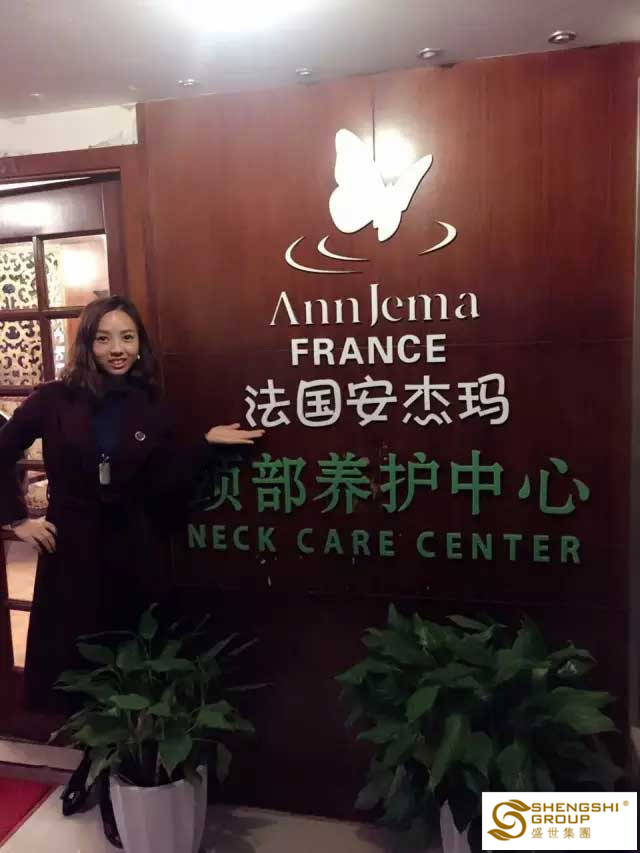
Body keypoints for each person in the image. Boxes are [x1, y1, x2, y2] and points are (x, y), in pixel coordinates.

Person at [0, 295, 264, 846]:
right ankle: (94, 763)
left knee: (131, 663)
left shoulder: (151, 405)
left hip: (133, 552)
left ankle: (116, 773)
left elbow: (163, 482)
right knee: (79, 661)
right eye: (104, 338)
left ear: (140, 344)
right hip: (73, 553)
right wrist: (15, 520)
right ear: (87, 343)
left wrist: (204, 445)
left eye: (127, 337)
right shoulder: (53, 399)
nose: (116, 349)